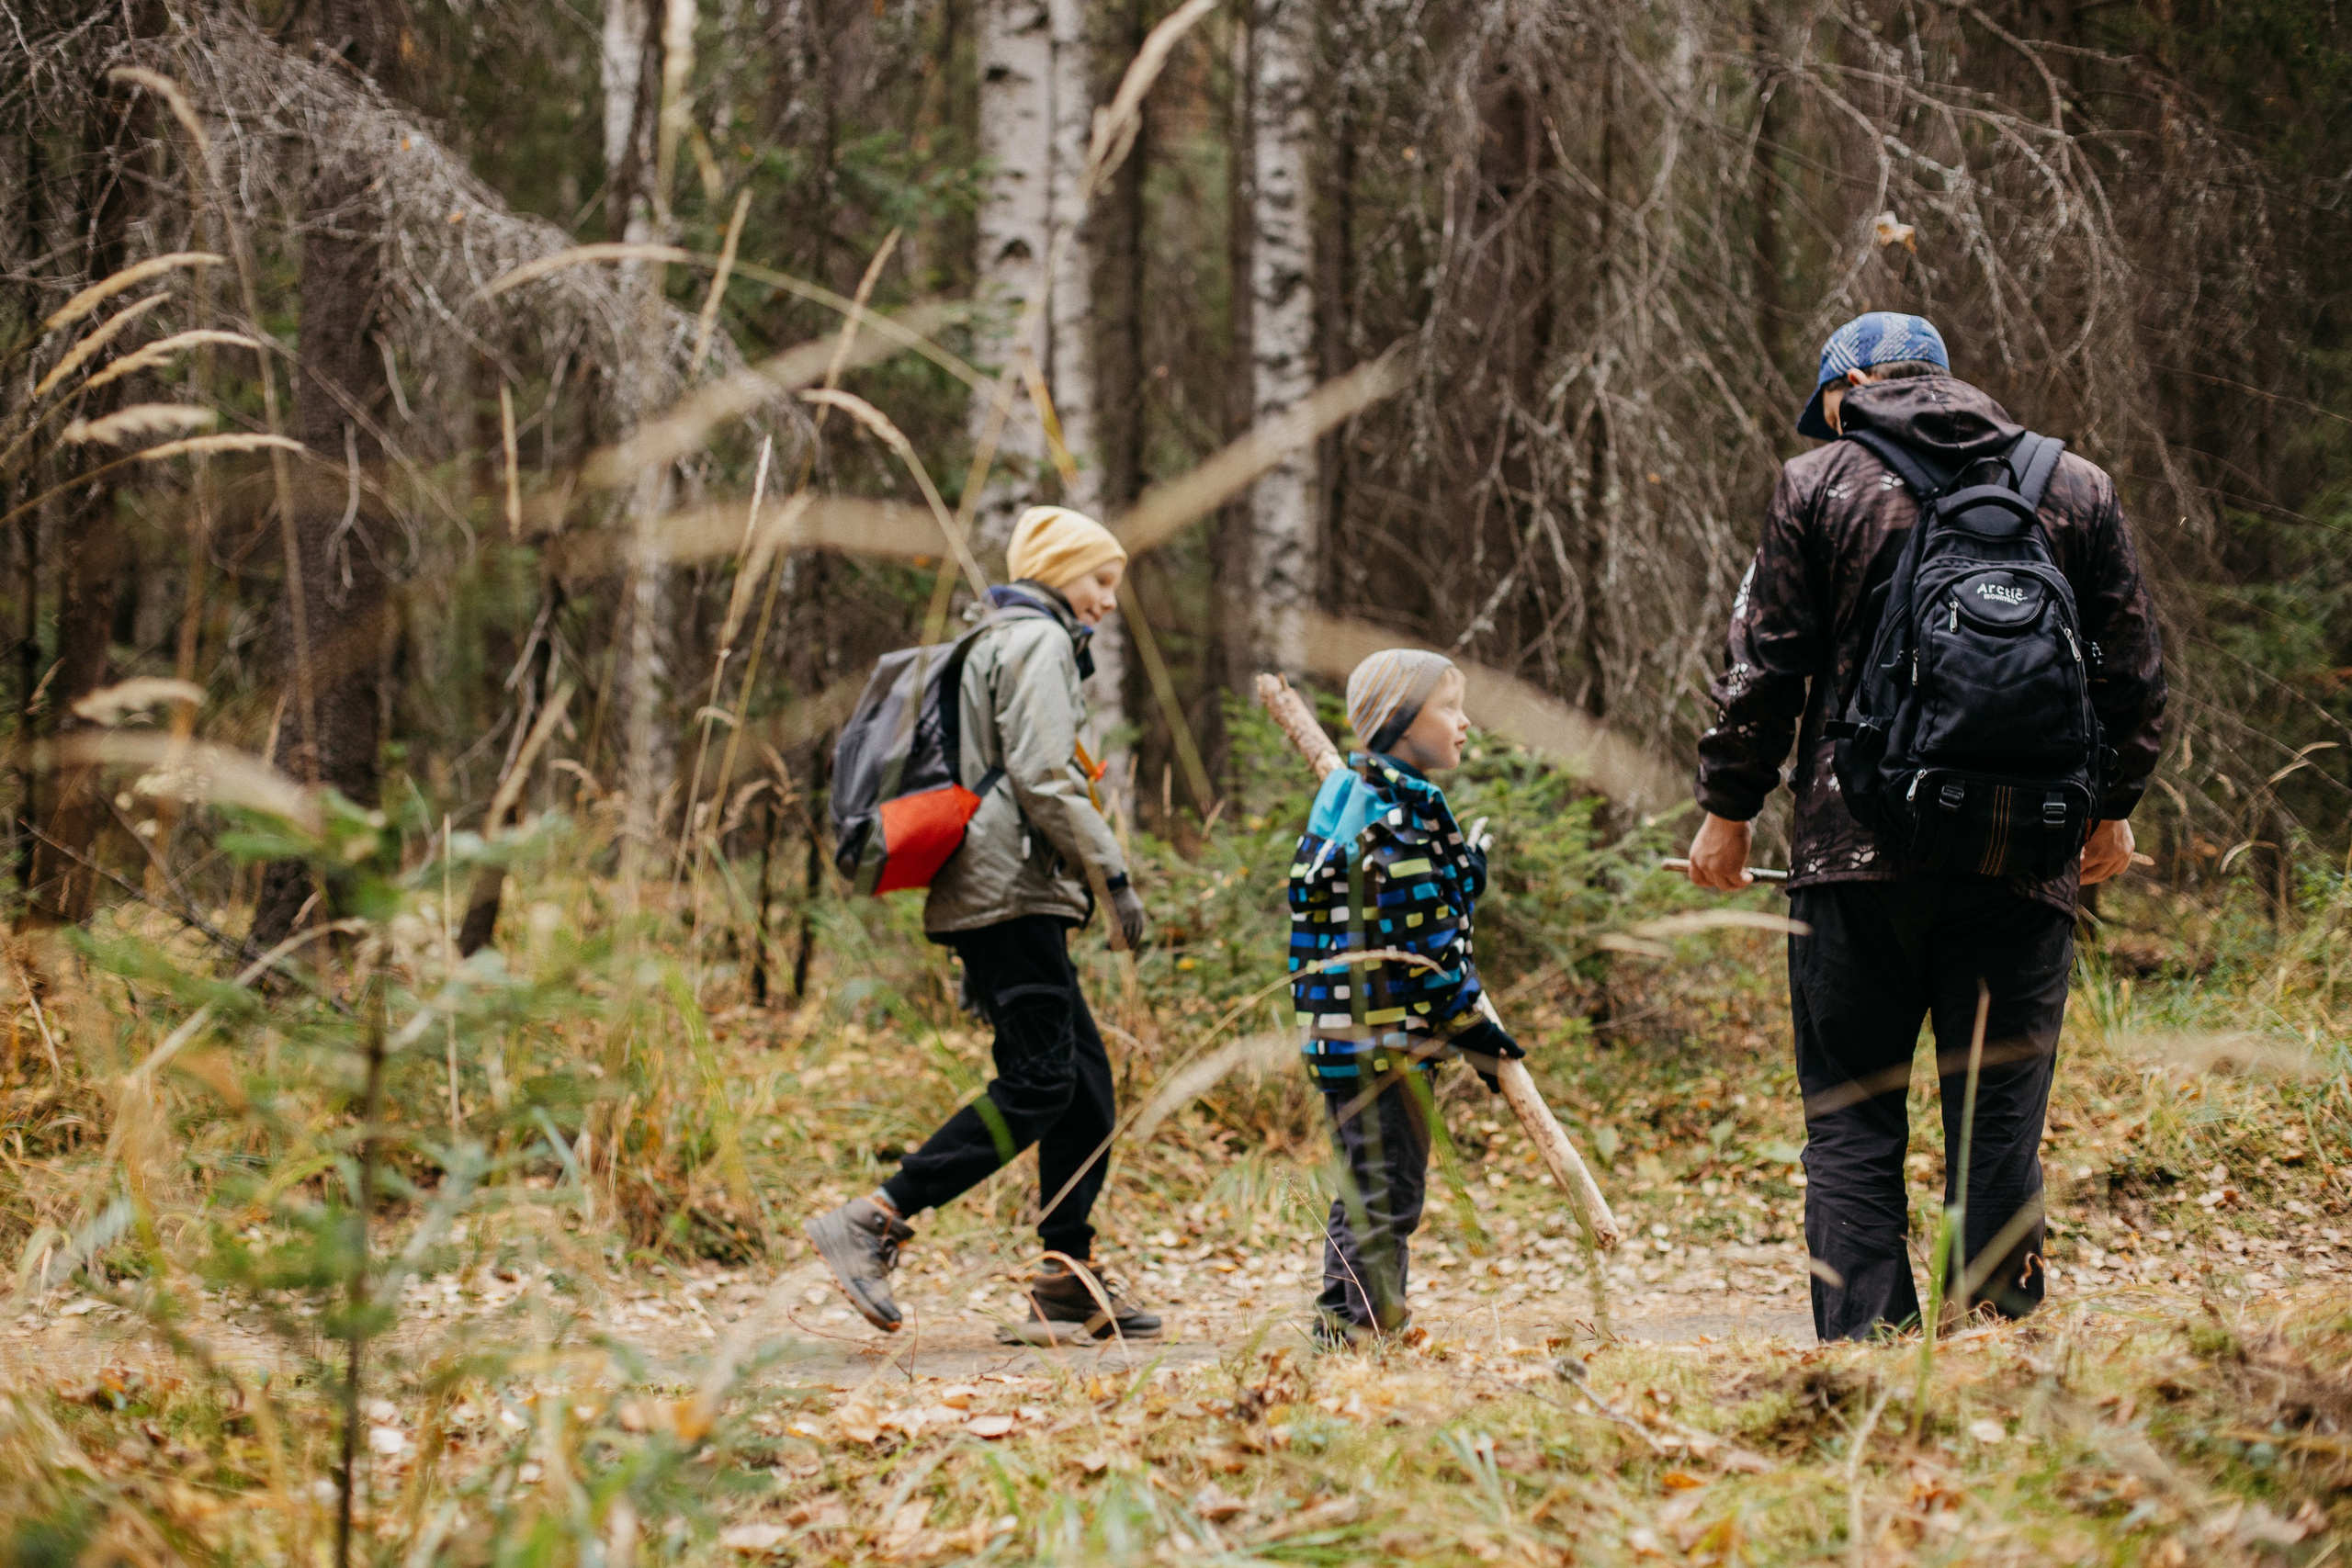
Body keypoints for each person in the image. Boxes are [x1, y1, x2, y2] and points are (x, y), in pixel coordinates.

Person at [1687, 311, 2166, 1341]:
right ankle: (1995, 1338)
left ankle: (1866, 1350)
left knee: (1851, 1113)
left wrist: (1728, 809)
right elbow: (2132, 674)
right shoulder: (2072, 486)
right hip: (2023, 856)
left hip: (1853, 853)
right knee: (1998, 1116)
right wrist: (2110, 807)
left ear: (1843, 389)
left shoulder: (1818, 484)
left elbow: (1762, 667)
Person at [806, 505, 1160, 1345]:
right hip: (1008, 891)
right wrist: (1110, 874)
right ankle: (876, 1216)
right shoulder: (1035, 639)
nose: (1108, 601)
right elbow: (1043, 773)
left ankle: (1064, 1278)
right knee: (1042, 1081)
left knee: (1084, 1089)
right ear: (1056, 571)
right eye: (1099, 580)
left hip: (1000, 886)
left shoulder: (999, 639)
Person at [1288, 649, 1520, 1347]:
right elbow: (1423, 951)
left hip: (1347, 1033)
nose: (1465, 721)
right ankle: (1371, 1334)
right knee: (1389, 1193)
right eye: (1449, 706)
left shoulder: (1362, 799)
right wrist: (1472, 1028)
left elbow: (1402, 904)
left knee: (1366, 1184)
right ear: (1399, 720)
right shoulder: (1399, 820)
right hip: (1386, 1035)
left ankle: (1339, 1323)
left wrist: (1460, 877)